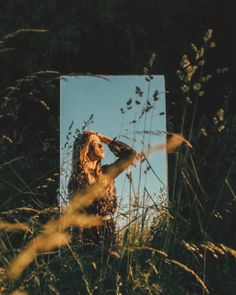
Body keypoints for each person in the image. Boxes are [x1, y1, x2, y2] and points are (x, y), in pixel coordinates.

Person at [67, 130, 137, 250]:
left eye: (101, 143)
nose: (101, 145)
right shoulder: (77, 179)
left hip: (109, 230)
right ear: (85, 148)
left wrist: (105, 139)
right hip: (88, 236)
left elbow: (130, 154)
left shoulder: (106, 173)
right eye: (95, 143)